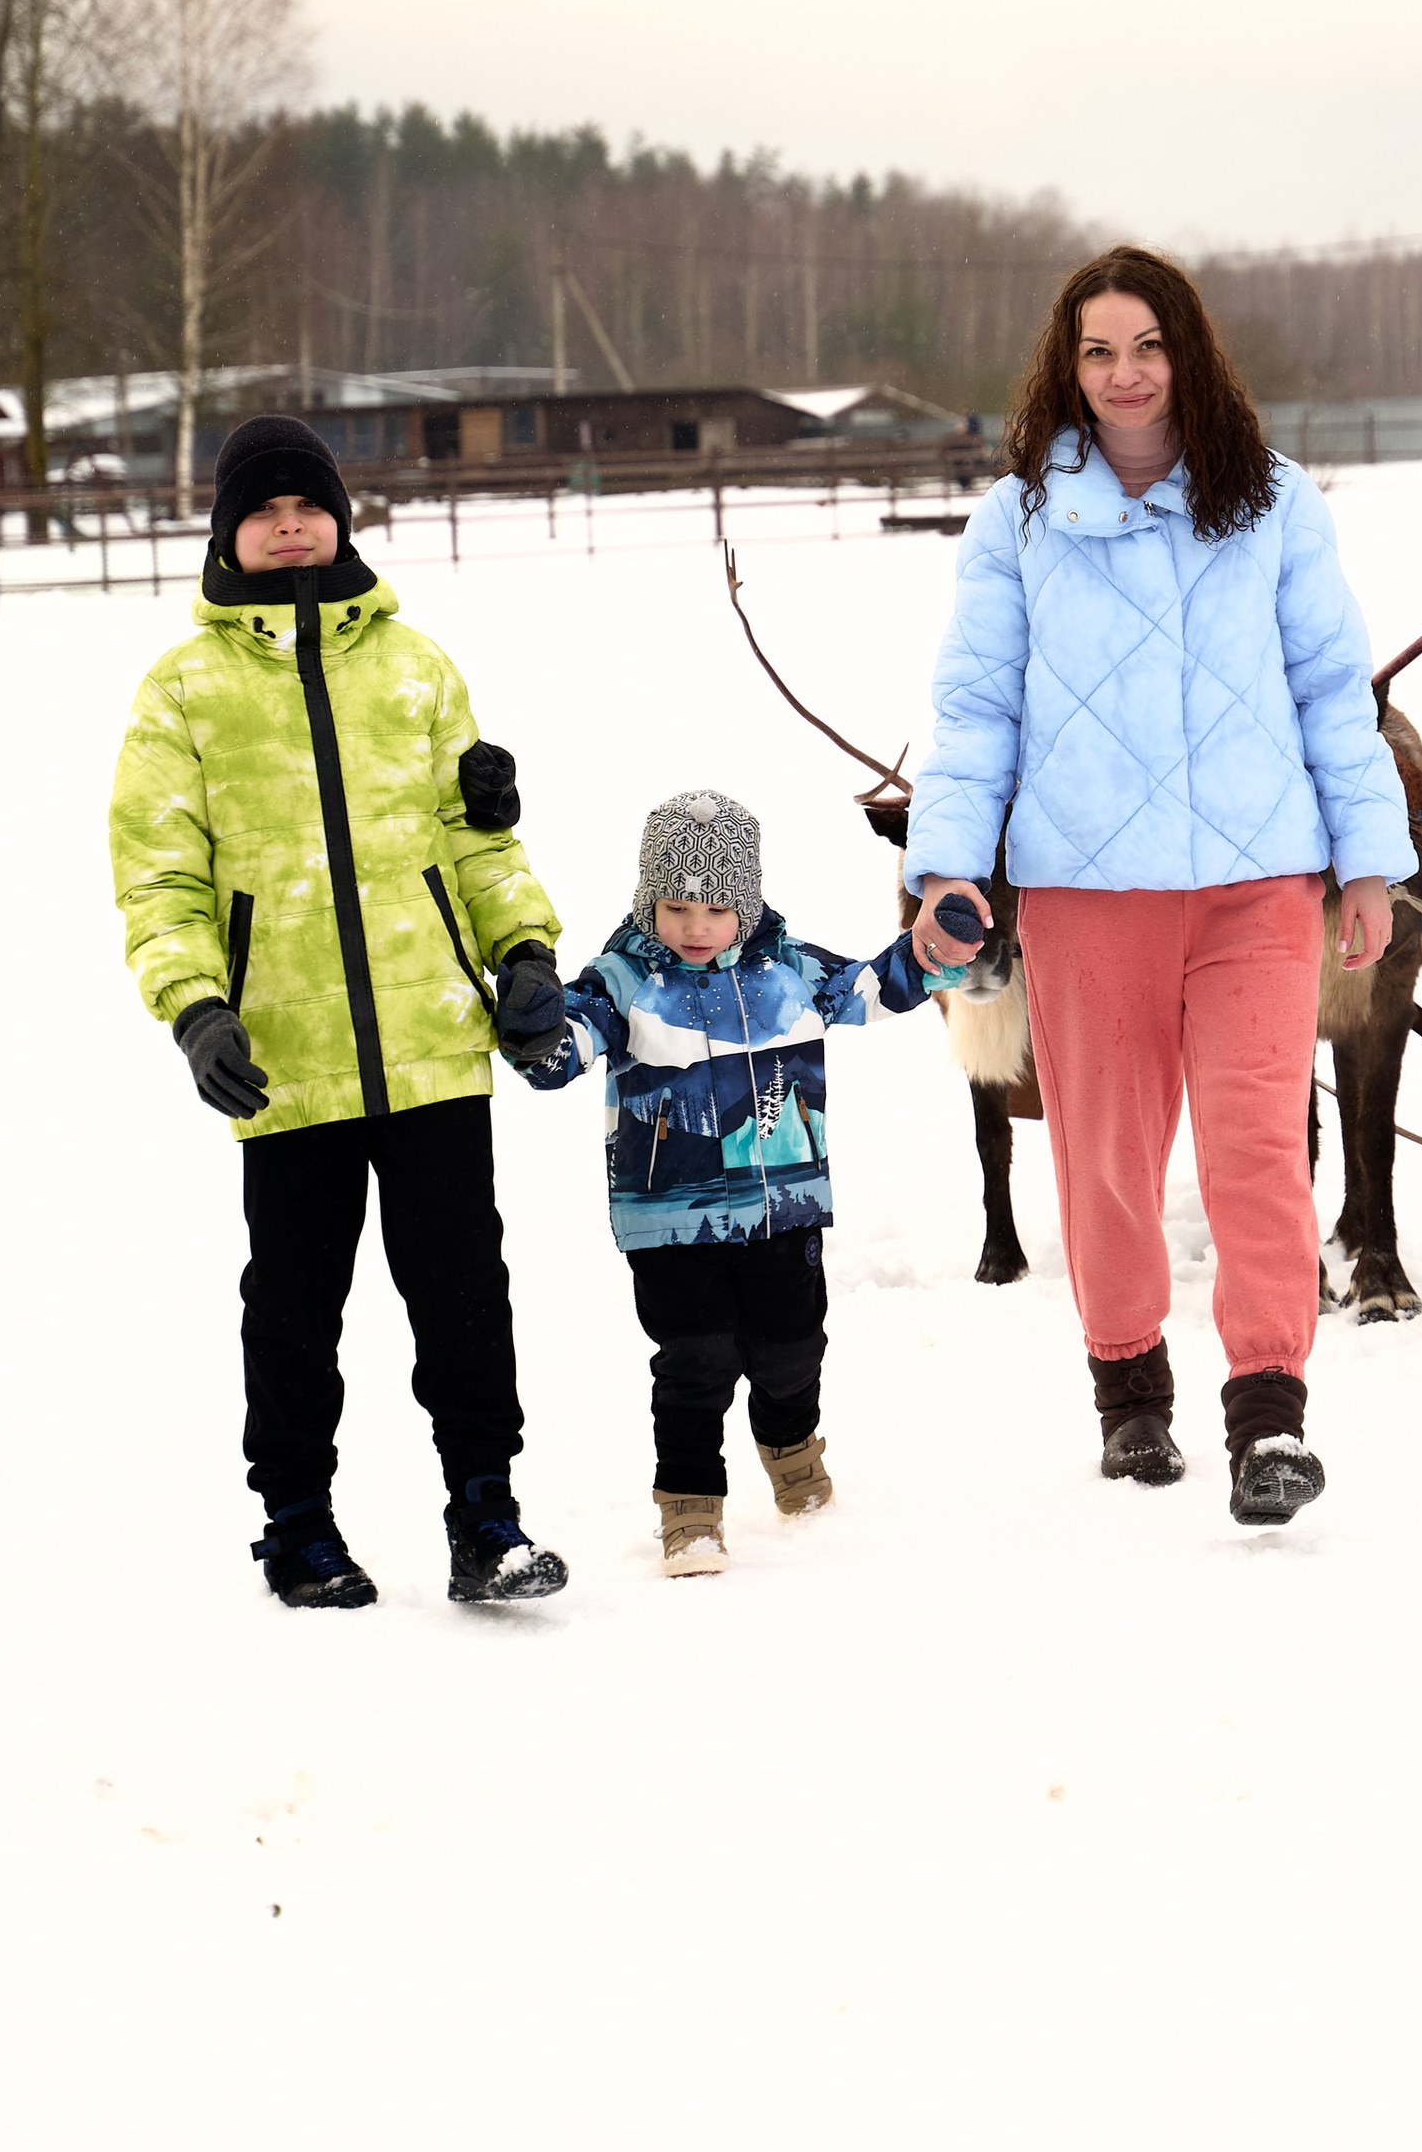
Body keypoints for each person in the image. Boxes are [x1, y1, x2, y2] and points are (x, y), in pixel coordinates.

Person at [903, 246, 1414, 1523]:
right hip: (1088, 889)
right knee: (1107, 1157)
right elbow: (976, 708)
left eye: (1146, 346)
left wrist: (1366, 856)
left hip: (1257, 881)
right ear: (1065, 366)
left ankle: (1269, 1416)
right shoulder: (1016, 518)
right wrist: (948, 863)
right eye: (1098, 350)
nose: (1125, 373)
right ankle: (1130, 1390)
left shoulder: (1274, 501)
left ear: (1187, 353)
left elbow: (1330, 688)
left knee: (1258, 1149)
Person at [109, 412, 573, 1612]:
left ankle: (486, 1511)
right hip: (285, 1053)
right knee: (294, 1303)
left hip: (433, 1042)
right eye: (262, 511)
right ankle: (298, 1523)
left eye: (306, 506)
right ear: (227, 533)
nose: (288, 526)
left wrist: (523, 950)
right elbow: (159, 876)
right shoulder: (182, 691)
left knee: (463, 1290)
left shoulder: (416, 667)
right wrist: (197, 1008)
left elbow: (479, 841)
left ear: (339, 519)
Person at [518, 787, 951, 1578]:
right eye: (677, 907)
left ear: (745, 905)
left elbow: (870, 989)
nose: (696, 926)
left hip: (784, 1205)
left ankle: (791, 1446)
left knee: (792, 1348)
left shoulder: (788, 968)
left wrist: (930, 953)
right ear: (649, 900)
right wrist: (536, 1030)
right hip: (669, 1215)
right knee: (696, 1358)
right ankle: (689, 1509)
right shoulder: (623, 980)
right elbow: (567, 1046)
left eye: (716, 908)